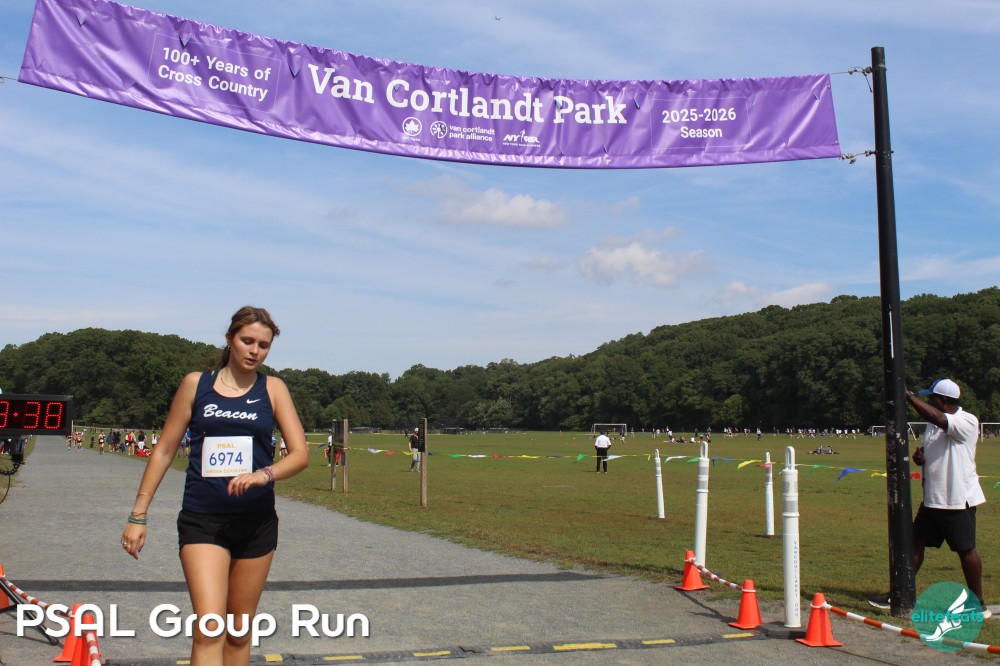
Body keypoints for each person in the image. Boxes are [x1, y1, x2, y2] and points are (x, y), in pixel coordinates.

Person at [120, 306, 309, 664]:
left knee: (239, 634)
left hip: (256, 523)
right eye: (247, 341)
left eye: (264, 345)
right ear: (229, 339)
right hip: (203, 520)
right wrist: (138, 514)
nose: (255, 351)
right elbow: (165, 450)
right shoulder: (197, 384)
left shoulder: (274, 389)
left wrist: (264, 474)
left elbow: (300, 454)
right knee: (209, 628)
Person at [868, 378, 988, 615]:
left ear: (943, 400)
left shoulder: (967, 420)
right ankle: (898, 594)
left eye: (931, 398)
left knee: (966, 550)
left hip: (957, 500)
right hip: (933, 499)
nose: (929, 401)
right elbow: (933, 444)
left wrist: (909, 396)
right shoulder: (933, 426)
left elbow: (941, 420)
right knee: (914, 544)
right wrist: (921, 458)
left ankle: (978, 604)